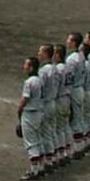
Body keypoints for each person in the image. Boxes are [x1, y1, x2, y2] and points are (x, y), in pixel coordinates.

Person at [17, 55, 44, 180]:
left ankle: (34, 171)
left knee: (31, 143)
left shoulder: (29, 82)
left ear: (31, 67)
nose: (24, 66)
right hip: (39, 113)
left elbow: (25, 98)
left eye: (26, 64)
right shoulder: (40, 80)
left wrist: (19, 110)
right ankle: (40, 168)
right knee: (38, 140)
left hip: (30, 114)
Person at [37, 43, 58, 173]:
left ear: (46, 54)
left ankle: (42, 163)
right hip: (53, 102)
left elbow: (39, 89)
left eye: (40, 51)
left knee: (40, 134)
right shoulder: (55, 68)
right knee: (49, 132)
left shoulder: (43, 71)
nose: (38, 53)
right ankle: (51, 160)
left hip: (44, 104)